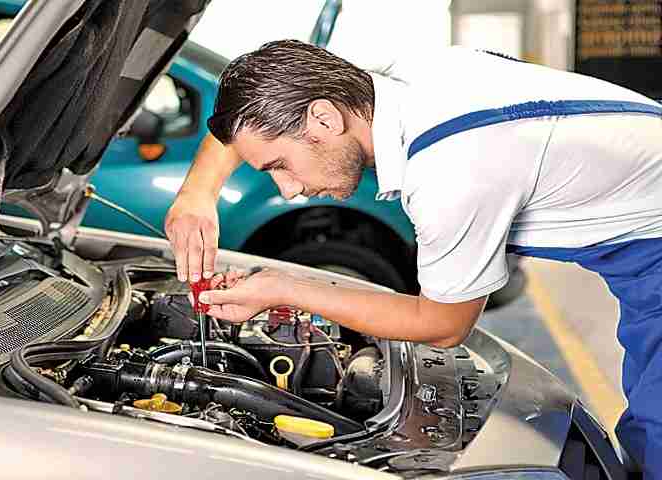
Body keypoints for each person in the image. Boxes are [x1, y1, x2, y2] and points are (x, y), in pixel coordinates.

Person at [163, 40, 662, 476]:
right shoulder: (395, 78)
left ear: (324, 119)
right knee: (646, 433)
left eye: (281, 165)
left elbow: (442, 325)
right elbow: (256, 106)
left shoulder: (452, 170)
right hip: (642, 255)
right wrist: (196, 195)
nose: (289, 190)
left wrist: (281, 287)